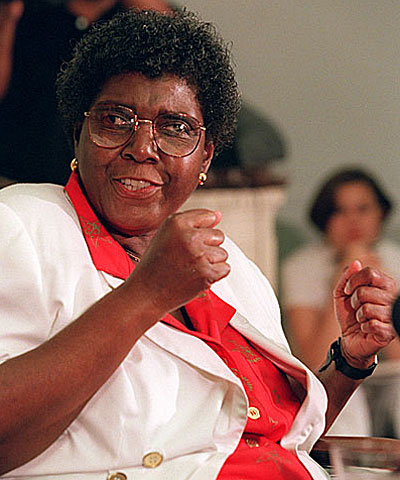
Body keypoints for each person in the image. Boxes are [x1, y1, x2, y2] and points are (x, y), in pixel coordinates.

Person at [0, 10, 396, 479]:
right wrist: (146, 295)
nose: (143, 146)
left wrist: (350, 361)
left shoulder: (232, 266)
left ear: (205, 156)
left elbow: (277, 438)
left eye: (175, 128)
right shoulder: (24, 222)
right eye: (115, 119)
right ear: (79, 132)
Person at [282, 167, 400, 436]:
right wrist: (342, 279)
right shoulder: (301, 267)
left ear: (380, 213)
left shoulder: (396, 259)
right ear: (325, 219)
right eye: (340, 211)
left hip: (391, 381)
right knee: (348, 400)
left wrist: (385, 294)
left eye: (362, 209)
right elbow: (314, 358)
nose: (353, 221)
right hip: (335, 382)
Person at [0, 0, 171, 187]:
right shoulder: (28, 12)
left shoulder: (144, 16)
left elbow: (180, 82)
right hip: (16, 176)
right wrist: (8, 17)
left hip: (106, 185)